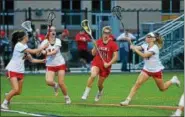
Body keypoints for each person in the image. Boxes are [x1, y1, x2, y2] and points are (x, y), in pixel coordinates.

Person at [120, 32, 180, 106]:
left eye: (149, 36)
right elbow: (134, 48)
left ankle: (173, 80)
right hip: (147, 70)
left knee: (162, 88)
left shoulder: (155, 48)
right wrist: (129, 41)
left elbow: (145, 55)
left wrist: (135, 49)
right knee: (137, 84)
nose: (147, 37)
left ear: (153, 39)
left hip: (156, 71)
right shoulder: (145, 45)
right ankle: (127, 100)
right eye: (147, 36)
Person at [1, 30, 48, 110]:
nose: (28, 37)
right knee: (15, 89)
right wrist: (43, 47)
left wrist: (42, 61)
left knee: (18, 91)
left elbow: (32, 60)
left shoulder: (24, 46)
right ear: (24, 37)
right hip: (12, 69)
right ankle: (4, 104)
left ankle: (8, 95)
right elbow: (33, 51)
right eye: (27, 36)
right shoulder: (19, 45)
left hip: (20, 71)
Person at [81, 26, 118, 101]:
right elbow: (93, 54)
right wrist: (95, 46)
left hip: (106, 66)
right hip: (97, 62)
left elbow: (115, 57)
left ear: (110, 34)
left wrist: (109, 63)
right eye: (104, 33)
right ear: (102, 33)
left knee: (99, 84)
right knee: (93, 75)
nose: (106, 35)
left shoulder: (113, 44)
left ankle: (100, 91)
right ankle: (86, 92)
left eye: (108, 33)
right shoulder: (98, 41)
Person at [40, 26, 71, 104]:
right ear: (48, 32)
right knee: (48, 81)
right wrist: (42, 50)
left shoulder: (58, 41)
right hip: (50, 65)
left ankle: (66, 97)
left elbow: (55, 51)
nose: (53, 32)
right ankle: (55, 85)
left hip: (60, 63)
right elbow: (39, 51)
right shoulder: (44, 42)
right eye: (51, 31)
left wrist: (46, 53)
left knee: (61, 83)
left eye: (54, 30)